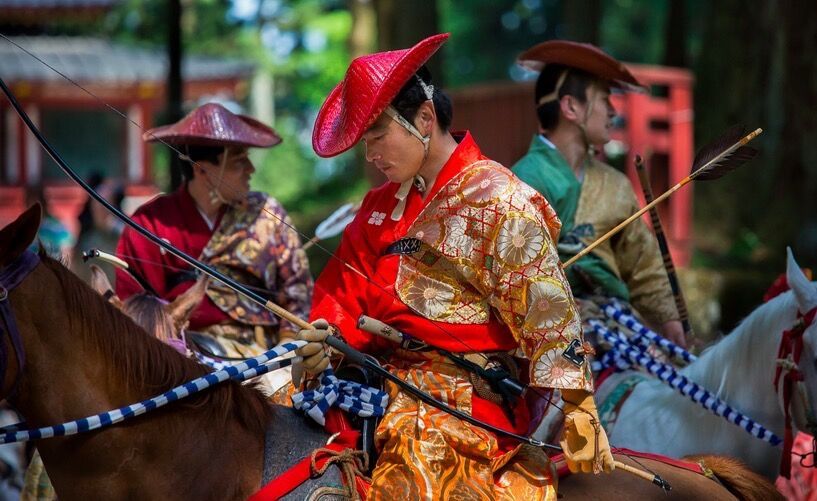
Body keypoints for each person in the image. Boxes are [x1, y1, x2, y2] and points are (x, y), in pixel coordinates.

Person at [297, 34, 612, 499]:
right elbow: (341, 293)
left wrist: (580, 405)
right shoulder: (379, 206)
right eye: (365, 142)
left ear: (424, 119)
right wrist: (321, 340)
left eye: (378, 135)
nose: (370, 155)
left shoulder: (500, 198)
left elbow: (546, 308)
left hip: (459, 395)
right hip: (374, 373)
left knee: (414, 472)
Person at [511, 40, 685, 349]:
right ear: (571, 107)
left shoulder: (614, 184)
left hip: (617, 321)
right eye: (604, 100)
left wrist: (669, 320)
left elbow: (641, 262)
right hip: (554, 327)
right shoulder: (525, 179)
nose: (612, 111)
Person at [115, 103, 313, 360]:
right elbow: (135, 310)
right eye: (238, 162)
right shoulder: (150, 223)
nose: (250, 170)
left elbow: (297, 289)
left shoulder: (265, 213)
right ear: (202, 170)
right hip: (181, 357)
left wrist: (287, 351)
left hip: (267, 355)